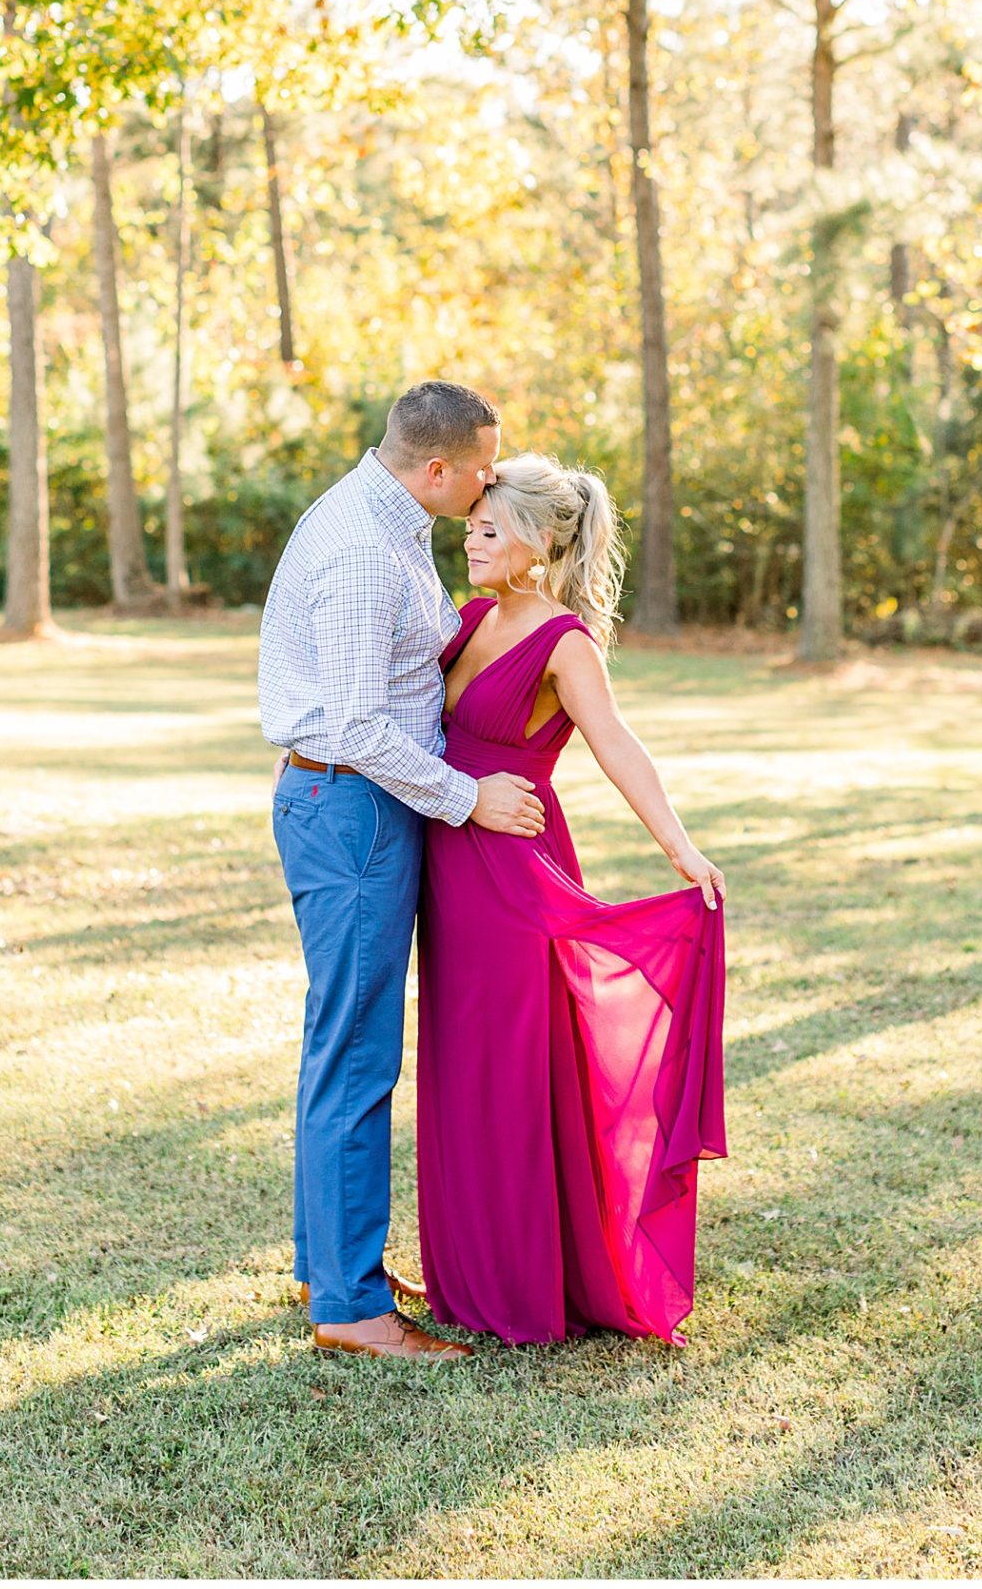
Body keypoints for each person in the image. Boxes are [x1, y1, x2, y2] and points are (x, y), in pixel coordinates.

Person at [261, 380, 547, 1363]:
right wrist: (467, 798)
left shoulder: (391, 520)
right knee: (357, 1054)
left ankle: (329, 1262)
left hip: (356, 806)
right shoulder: (361, 551)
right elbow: (351, 724)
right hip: (352, 813)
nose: (490, 483)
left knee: (338, 1042)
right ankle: (348, 1304)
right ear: (435, 471)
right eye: (481, 470)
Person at [416, 452, 727, 1347]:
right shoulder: (472, 615)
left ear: (538, 542)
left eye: (487, 528)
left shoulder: (564, 644)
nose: (469, 539)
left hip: (511, 875)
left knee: (512, 1070)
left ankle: (527, 1283)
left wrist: (680, 848)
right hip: (448, 863)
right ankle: (465, 1271)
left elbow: (618, 746)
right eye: (470, 525)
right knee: (460, 1067)